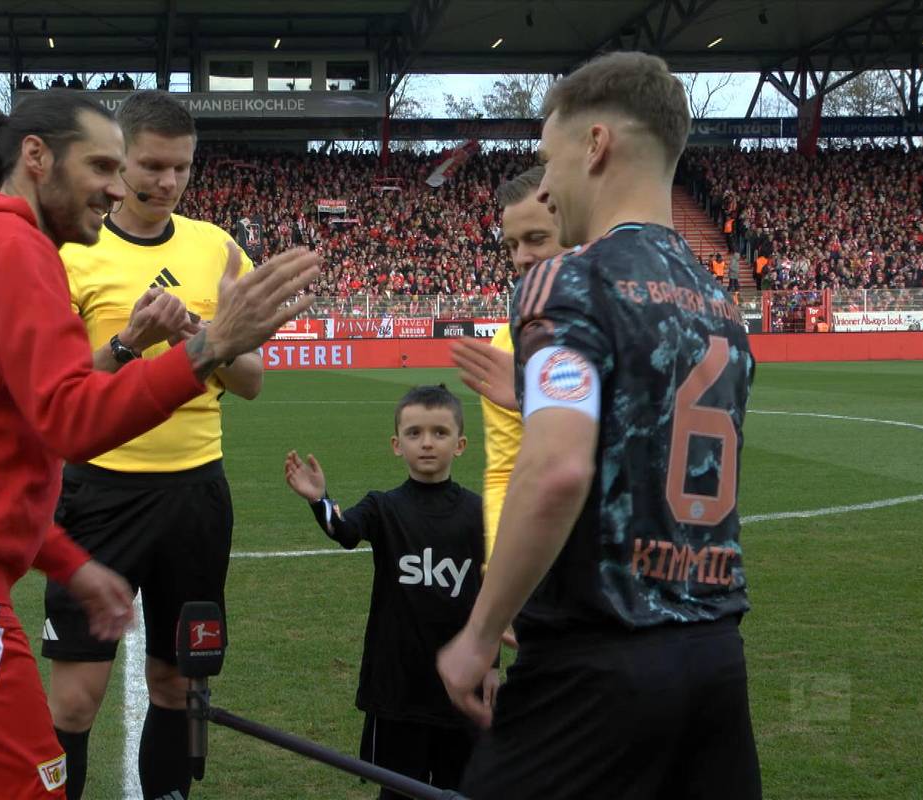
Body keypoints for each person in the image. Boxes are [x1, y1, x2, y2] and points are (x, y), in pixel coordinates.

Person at [0, 92, 318, 800]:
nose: (120, 187)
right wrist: (207, 345)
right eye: (104, 165)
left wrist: (68, 562)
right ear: (36, 157)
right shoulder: (11, 249)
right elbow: (68, 420)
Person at [438, 52, 761, 800]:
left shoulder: (569, 279)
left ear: (595, 146)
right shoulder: (720, 304)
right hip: (714, 659)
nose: (544, 188)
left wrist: (479, 635)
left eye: (549, 161)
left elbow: (557, 471)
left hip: (597, 670)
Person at [43, 89, 262, 800]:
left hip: (194, 492)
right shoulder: (74, 248)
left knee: (174, 687)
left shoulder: (218, 249)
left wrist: (194, 338)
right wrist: (129, 342)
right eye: (152, 166)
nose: (166, 183)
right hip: (97, 492)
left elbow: (252, 379)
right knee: (74, 698)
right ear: (120, 159)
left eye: (182, 170)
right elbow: (60, 387)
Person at [284, 385, 496, 799]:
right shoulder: (384, 506)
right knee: (398, 791)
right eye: (415, 434)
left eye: (440, 432)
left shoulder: (478, 512)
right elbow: (344, 532)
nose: (427, 443)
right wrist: (320, 500)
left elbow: (488, 596)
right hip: (397, 685)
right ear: (397, 445)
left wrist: (491, 665)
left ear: (461, 444)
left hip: (461, 685)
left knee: (462, 789)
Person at [451, 165, 568, 565]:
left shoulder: (636, 315)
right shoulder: (506, 344)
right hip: (544, 574)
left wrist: (532, 395)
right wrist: (499, 564)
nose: (521, 259)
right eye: (511, 246)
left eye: (536, 240)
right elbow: (505, 472)